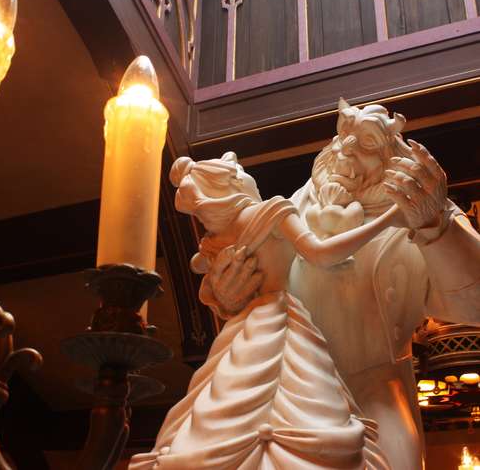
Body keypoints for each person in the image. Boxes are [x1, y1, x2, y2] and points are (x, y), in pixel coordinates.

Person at [197, 100, 480, 470]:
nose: (346, 149)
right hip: (293, 386)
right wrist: (229, 297)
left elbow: (473, 304)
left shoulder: (423, 207)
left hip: (378, 393)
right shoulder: (293, 206)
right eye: (343, 135)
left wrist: (435, 226)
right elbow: (261, 287)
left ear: (390, 155)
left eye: (365, 143)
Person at [130, 151, 399, 469]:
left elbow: (198, 268)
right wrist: (389, 219)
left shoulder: (215, 240)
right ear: (235, 182)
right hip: (283, 320)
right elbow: (322, 254)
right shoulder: (273, 212)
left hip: (242, 331)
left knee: (224, 404)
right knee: (310, 404)